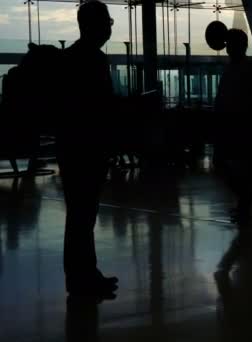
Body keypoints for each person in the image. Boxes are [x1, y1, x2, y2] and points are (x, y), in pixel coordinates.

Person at [57, 0, 118, 298]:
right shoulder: (93, 61)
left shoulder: (70, 58)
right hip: (88, 150)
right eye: (107, 21)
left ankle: (83, 275)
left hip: (72, 149)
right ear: (95, 25)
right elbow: (100, 108)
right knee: (84, 216)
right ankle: (82, 278)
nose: (109, 26)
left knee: (80, 216)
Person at [213, 29, 252, 223]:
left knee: (239, 167)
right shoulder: (244, 68)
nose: (228, 48)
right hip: (236, 126)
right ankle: (244, 202)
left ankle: (244, 203)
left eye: (231, 44)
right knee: (239, 167)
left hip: (241, 126)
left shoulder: (243, 69)